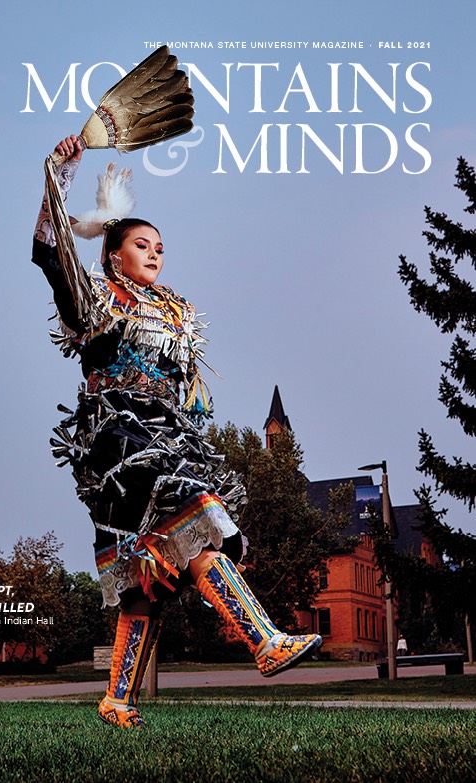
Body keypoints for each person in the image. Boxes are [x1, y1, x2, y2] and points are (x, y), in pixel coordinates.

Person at [31, 134, 322, 728]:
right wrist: (57, 175)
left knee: (145, 581)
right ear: (114, 254)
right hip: (122, 448)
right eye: (142, 244)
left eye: (160, 246)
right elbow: (49, 252)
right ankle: (263, 641)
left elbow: (189, 392)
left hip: (169, 440)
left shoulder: (174, 313)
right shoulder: (96, 301)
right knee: (197, 518)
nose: (156, 253)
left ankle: (117, 701)